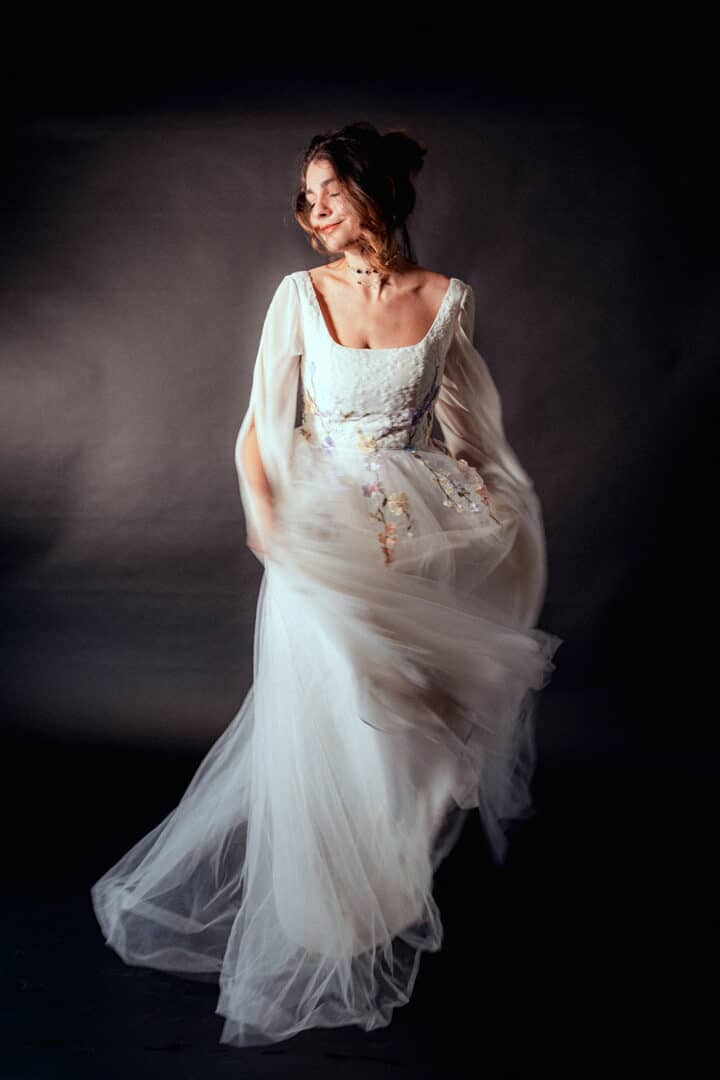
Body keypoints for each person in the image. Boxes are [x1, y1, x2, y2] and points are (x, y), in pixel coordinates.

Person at [90, 120, 563, 1049]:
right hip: (319, 529)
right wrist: (265, 521)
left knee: (407, 735)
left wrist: (495, 509)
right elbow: (258, 429)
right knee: (332, 708)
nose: (313, 210)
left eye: (330, 192)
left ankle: (378, 890)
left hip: (412, 528)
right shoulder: (297, 296)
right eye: (307, 196)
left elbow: (469, 433)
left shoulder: (447, 299)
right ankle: (319, 915)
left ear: (375, 193)